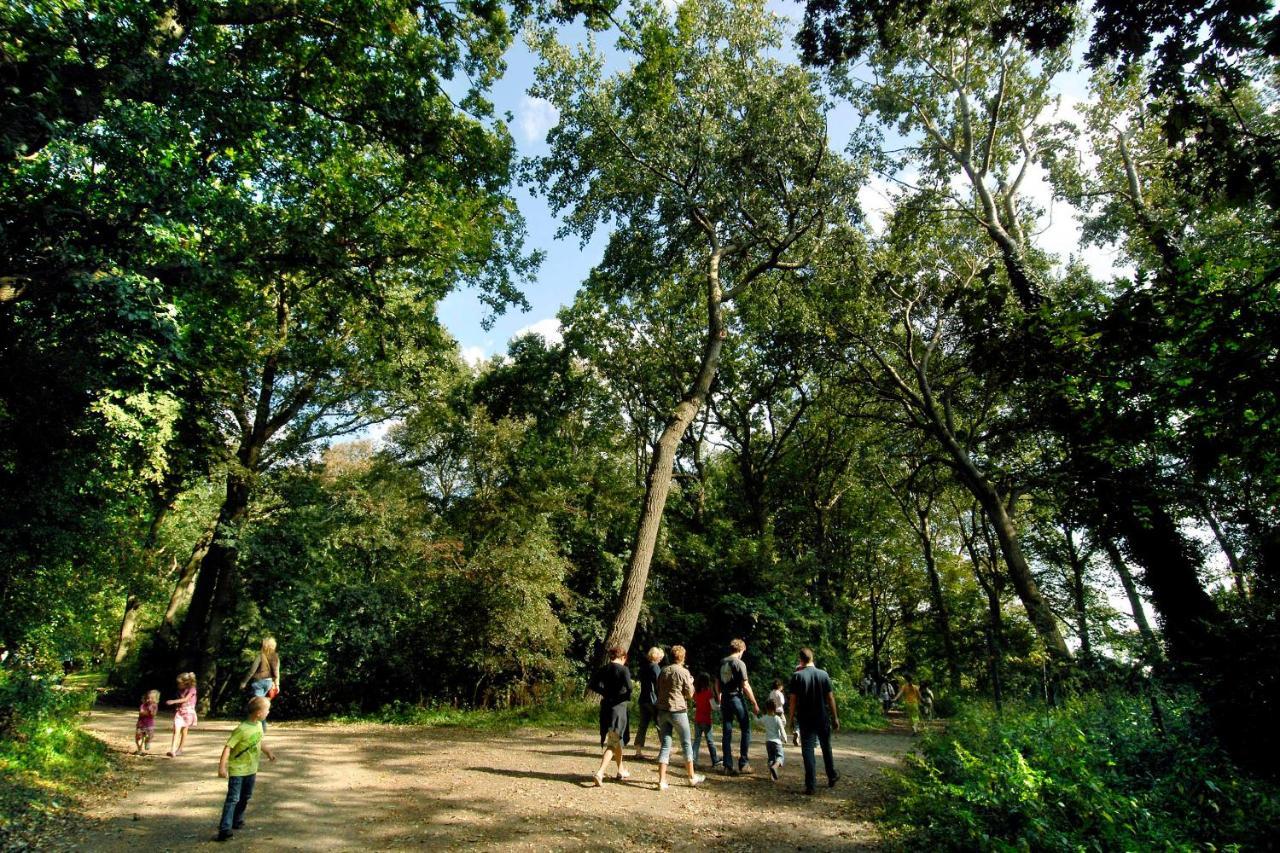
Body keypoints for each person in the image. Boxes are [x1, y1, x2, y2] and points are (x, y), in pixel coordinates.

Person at [216, 695, 276, 842]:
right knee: (233, 798)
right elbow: (228, 747)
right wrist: (222, 767)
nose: (268, 712)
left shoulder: (258, 726)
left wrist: (268, 752)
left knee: (245, 797)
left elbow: (259, 741)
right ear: (258, 713)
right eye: (267, 710)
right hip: (238, 770)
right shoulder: (241, 729)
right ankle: (224, 828)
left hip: (251, 769)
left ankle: (237, 820)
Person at [788, 648, 840, 795]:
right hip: (822, 717)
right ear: (812, 658)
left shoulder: (797, 676)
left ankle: (810, 785)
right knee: (826, 747)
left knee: (808, 750)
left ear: (800, 659)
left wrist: (790, 719)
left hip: (805, 718)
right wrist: (835, 717)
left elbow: (792, 700)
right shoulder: (823, 675)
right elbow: (830, 698)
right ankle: (831, 776)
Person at [655, 645, 705, 790]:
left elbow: (658, 688)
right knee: (686, 743)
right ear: (682, 657)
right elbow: (690, 694)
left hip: (663, 710)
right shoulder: (684, 672)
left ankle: (662, 780)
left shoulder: (663, 670)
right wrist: (691, 682)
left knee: (665, 744)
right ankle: (691, 777)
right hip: (678, 710)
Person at [715, 638, 760, 775]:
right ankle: (744, 763)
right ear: (741, 649)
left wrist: (719, 695)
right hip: (736, 698)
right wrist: (754, 702)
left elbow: (716, 681)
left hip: (725, 699)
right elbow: (745, 685)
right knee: (745, 729)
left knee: (727, 731)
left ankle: (727, 766)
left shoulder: (722, 662)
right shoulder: (739, 663)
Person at [589, 646, 632, 786]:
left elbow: (592, 685)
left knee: (616, 738)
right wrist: (622, 697)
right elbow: (630, 688)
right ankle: (600, 773)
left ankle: (621, 770)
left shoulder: (604, 668)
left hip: (606, 708)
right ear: (623, 657)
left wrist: (605, 693)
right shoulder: (624, 670)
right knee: (613, 742)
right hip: (618, 709)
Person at [633, 647, 663, 760]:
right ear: (656, 656)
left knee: (643, 725)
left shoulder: (644, 667)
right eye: (660, 656)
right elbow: (659, 683)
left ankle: (638, 751)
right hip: (654, 700)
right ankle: (663, 751)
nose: (661, 659)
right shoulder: (655, 667)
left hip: (643, 699)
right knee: (660, 725)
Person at [166, 672, 198, 757]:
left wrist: (173, 701)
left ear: (186, 683)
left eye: (180, 683)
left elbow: (186, 699)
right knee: (176, 730)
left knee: (184, 731)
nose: (178, 685)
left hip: (188, 713)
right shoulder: (179, 690)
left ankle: (180, 749)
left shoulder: (192, 689)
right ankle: (172, 750)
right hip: (179, 712)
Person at [691, 672, 719, 769]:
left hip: (697, 719)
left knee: (697, 741)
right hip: (706, 720)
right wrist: (720, 705)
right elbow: (714, 707)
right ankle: (715, 760)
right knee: (710, 741)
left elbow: (696, 703)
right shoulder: (709, 693)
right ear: (707, 682)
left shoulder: (696, 693)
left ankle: (693, 760)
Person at [761, 696, 787, 781]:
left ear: (766, 708)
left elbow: (758, 721)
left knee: (771, 758)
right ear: (775, 708)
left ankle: (771, 776)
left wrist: (753, 716)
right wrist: (785, 738)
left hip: (768, 742)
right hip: (777, 742)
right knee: (780, 757)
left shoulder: (765, 717)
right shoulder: (777, 719)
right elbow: (782, 729)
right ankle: (775, 767)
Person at [135, 689, 160, 754]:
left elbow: (153, 715)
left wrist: (151, 712)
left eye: (152, 698)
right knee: (138, 737)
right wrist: (148, 712)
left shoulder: (155, 706)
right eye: (148, 698)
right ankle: (139, 749)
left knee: (150, 736)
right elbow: (141, 713)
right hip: (140, 724)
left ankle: (147, 741)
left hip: (149, 725)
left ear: (156, 699)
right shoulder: (143, 705)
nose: (149, 700)